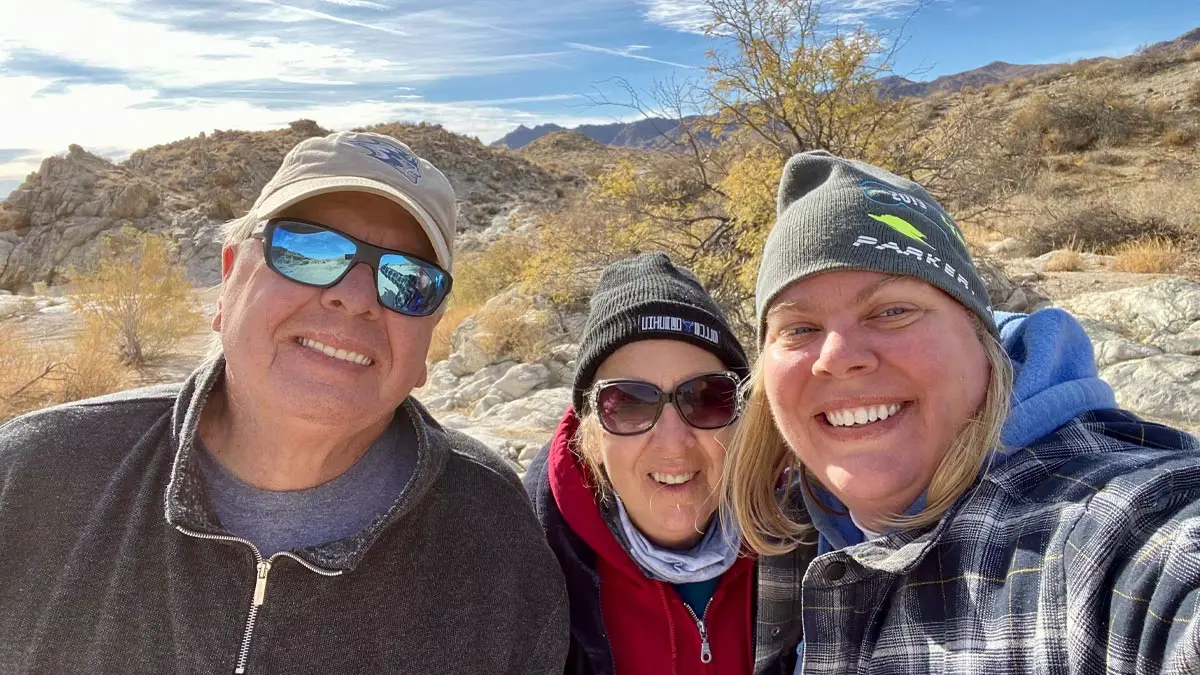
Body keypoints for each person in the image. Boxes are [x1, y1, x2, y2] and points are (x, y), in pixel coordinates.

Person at [0, 131, 568, 674]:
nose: (355, 297)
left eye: (408, 281)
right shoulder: (35, 474)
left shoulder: (495, 534)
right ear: (229, 279)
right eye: (309, 249)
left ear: (429, 340)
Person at [725, 150, 1200, 674]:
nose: (836, 357)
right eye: (798, 328)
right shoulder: (793, 531)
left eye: (892, 311)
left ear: (982, 337)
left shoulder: (1115, 532)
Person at [524, 252, 764, 675]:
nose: (674, 441)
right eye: (629, 404)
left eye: (706, 398)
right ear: (591, 438)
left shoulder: (806, 543)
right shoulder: (529, 569)